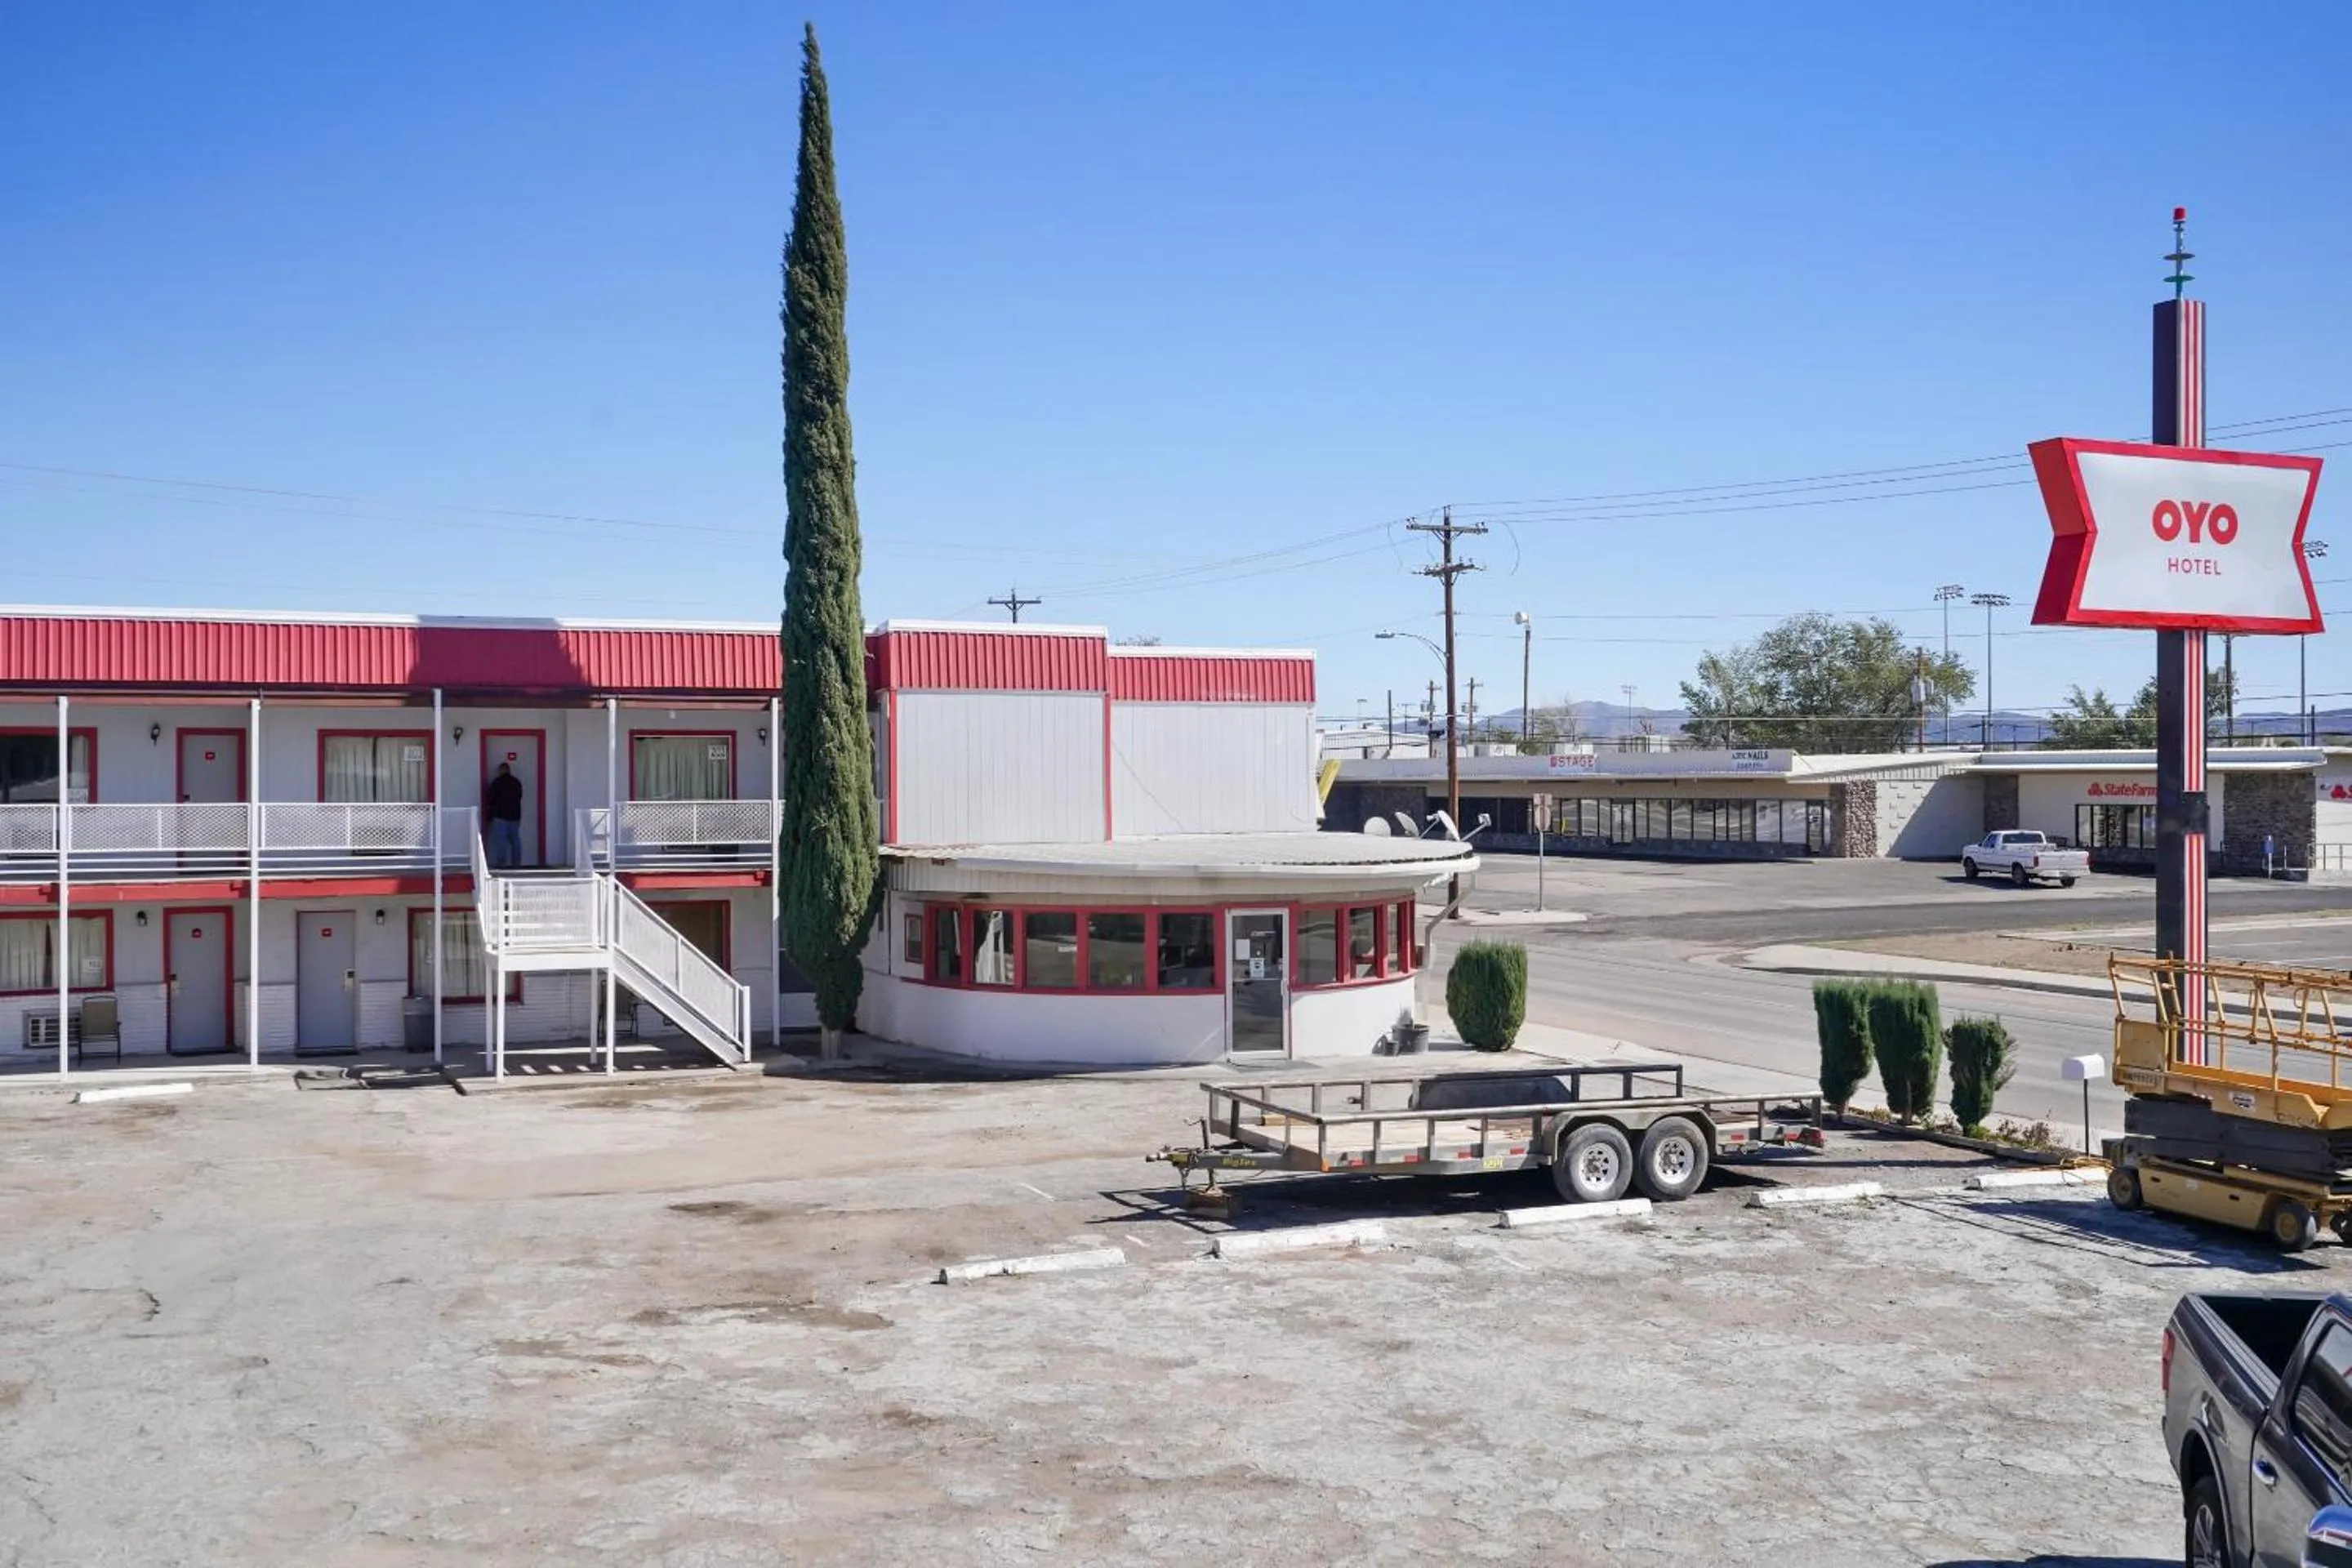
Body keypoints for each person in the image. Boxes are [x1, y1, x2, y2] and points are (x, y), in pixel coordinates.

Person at [485, 762, 525, 869]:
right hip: (515, 816)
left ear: (501, 770)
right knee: (515, 840)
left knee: (501, 840)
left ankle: (502, 863)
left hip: (500, 816)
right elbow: (520, 796)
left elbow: (490, 798)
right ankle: (517, 863)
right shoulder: (516, 782)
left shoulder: (497, 782)